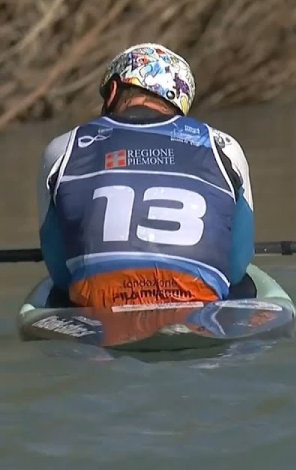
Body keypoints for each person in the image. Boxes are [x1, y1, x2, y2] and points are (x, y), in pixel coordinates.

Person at [35, 43, 255, 309]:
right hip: (199, 313)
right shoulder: (223, 147)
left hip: (100, 315)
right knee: (245, 284)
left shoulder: (62, 149)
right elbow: (236, 266)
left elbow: (60, 273)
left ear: (113, 90)